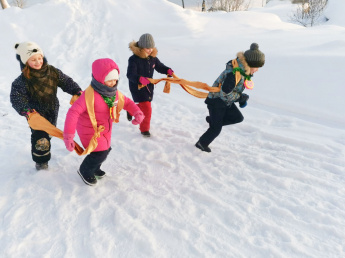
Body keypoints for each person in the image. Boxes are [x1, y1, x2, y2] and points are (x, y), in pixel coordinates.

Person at [63, 58, 144, 186]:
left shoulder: (114, 93)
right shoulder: (88, 96)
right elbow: (73, 113)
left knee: (106, 150)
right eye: (109, 80)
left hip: (105, 128)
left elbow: (127, 102)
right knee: (100, 152)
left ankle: (94, 168)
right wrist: (68, 136)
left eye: (115, 79)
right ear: (99, 79)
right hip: (89, 129)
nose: (113, 83)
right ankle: (85, 170)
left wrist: (137, 112)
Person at [10, 41, 82, 170]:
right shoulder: (22, 80)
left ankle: (45, 140)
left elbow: (66, 81)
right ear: (26, 62)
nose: (38, 62)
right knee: (40, 138)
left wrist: (76, 90)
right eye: (33, 60)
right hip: (35, 114)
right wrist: (26, 110)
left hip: (52, 109)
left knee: (48, 133)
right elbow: (16, 97)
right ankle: (41, 161)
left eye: (40, 58)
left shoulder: (52, 71)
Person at [195, 43, 265, 152]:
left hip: (225, 102)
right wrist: (240, 97)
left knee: (238, 117)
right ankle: (201, 143)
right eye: (256, 67)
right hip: (216, 102)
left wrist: (239, 97)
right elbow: (225, 93)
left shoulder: (243, 72)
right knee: (216, 130)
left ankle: (213, 122)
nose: (257, 70)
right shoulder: (234, 74)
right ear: (250, 64)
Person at [126, 33, 174, 137]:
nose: (150, 50)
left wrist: (167, 70)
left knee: (144, 107)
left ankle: (131, 109)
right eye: (148, 48)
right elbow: (130, 74)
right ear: (142, 47)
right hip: (137, 87)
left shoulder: (152, 58)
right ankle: (144, 130)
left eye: (151, 47)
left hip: (148, 87)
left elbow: (160, 67)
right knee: (147, 109)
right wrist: (139, 79)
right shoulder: (134, 59)